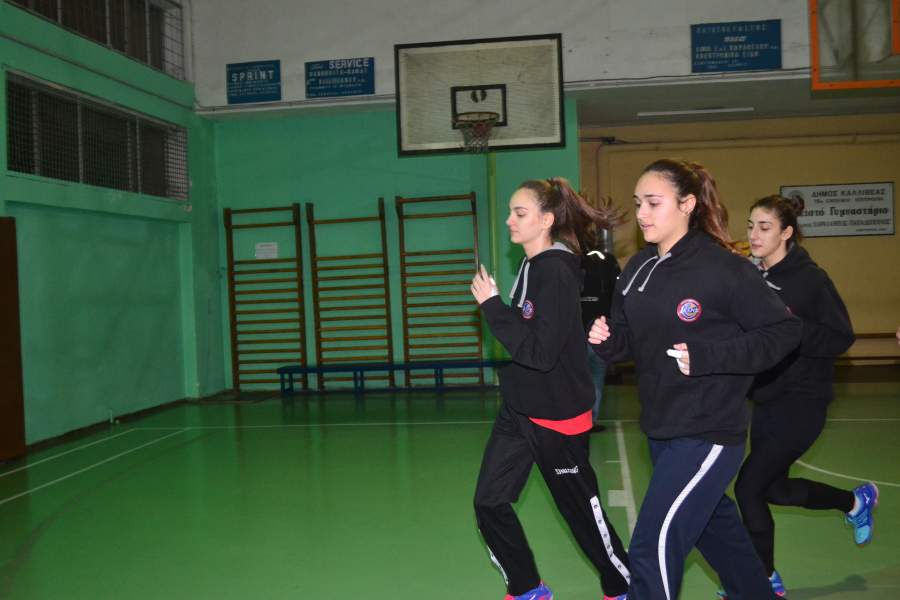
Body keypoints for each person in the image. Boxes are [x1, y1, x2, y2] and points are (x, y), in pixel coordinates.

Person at [588, 159, 802, 600]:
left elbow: (784, 331)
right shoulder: (638, 268)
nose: (641, 213)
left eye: (653, 203)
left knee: (654, 543)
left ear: (687, 204)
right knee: (716, 532)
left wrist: (710, 356)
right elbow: (631, 340)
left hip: (709, 431)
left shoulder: (724, 269)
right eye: (638, 203)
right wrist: (608, 342)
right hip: (662, 427)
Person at [471, 177, 630, 600]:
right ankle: (527, 588)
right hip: (521, 408)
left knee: (581, 513)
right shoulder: (532, 265)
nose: (509, 220)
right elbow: (529, 332)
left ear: (546, 220)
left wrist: (492, 307)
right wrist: (500, 308)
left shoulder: (556, 271)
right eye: (511, 211)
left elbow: (540, 353)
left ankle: (625, 585)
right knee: (489, 501)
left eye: (519, 213)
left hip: (556, 415)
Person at [718, 194, 877, 599]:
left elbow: (841, 336)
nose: (754, 234)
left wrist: (792, 327)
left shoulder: (811, 279)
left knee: (748, 488)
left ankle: (762, 581)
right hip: (767, 399)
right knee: (773, 489)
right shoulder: (752, 275)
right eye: (751, 226)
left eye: (765, 227)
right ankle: (854, 502)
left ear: (786, 233)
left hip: (804, 400)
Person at [581, 244, 621, 432]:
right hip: (601, 327)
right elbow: (619, 290)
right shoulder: (608, 260)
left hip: (576, 329)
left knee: (576, 378)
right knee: (596, 375)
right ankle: (591, 420)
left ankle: (575, 421)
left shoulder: (570, 259)